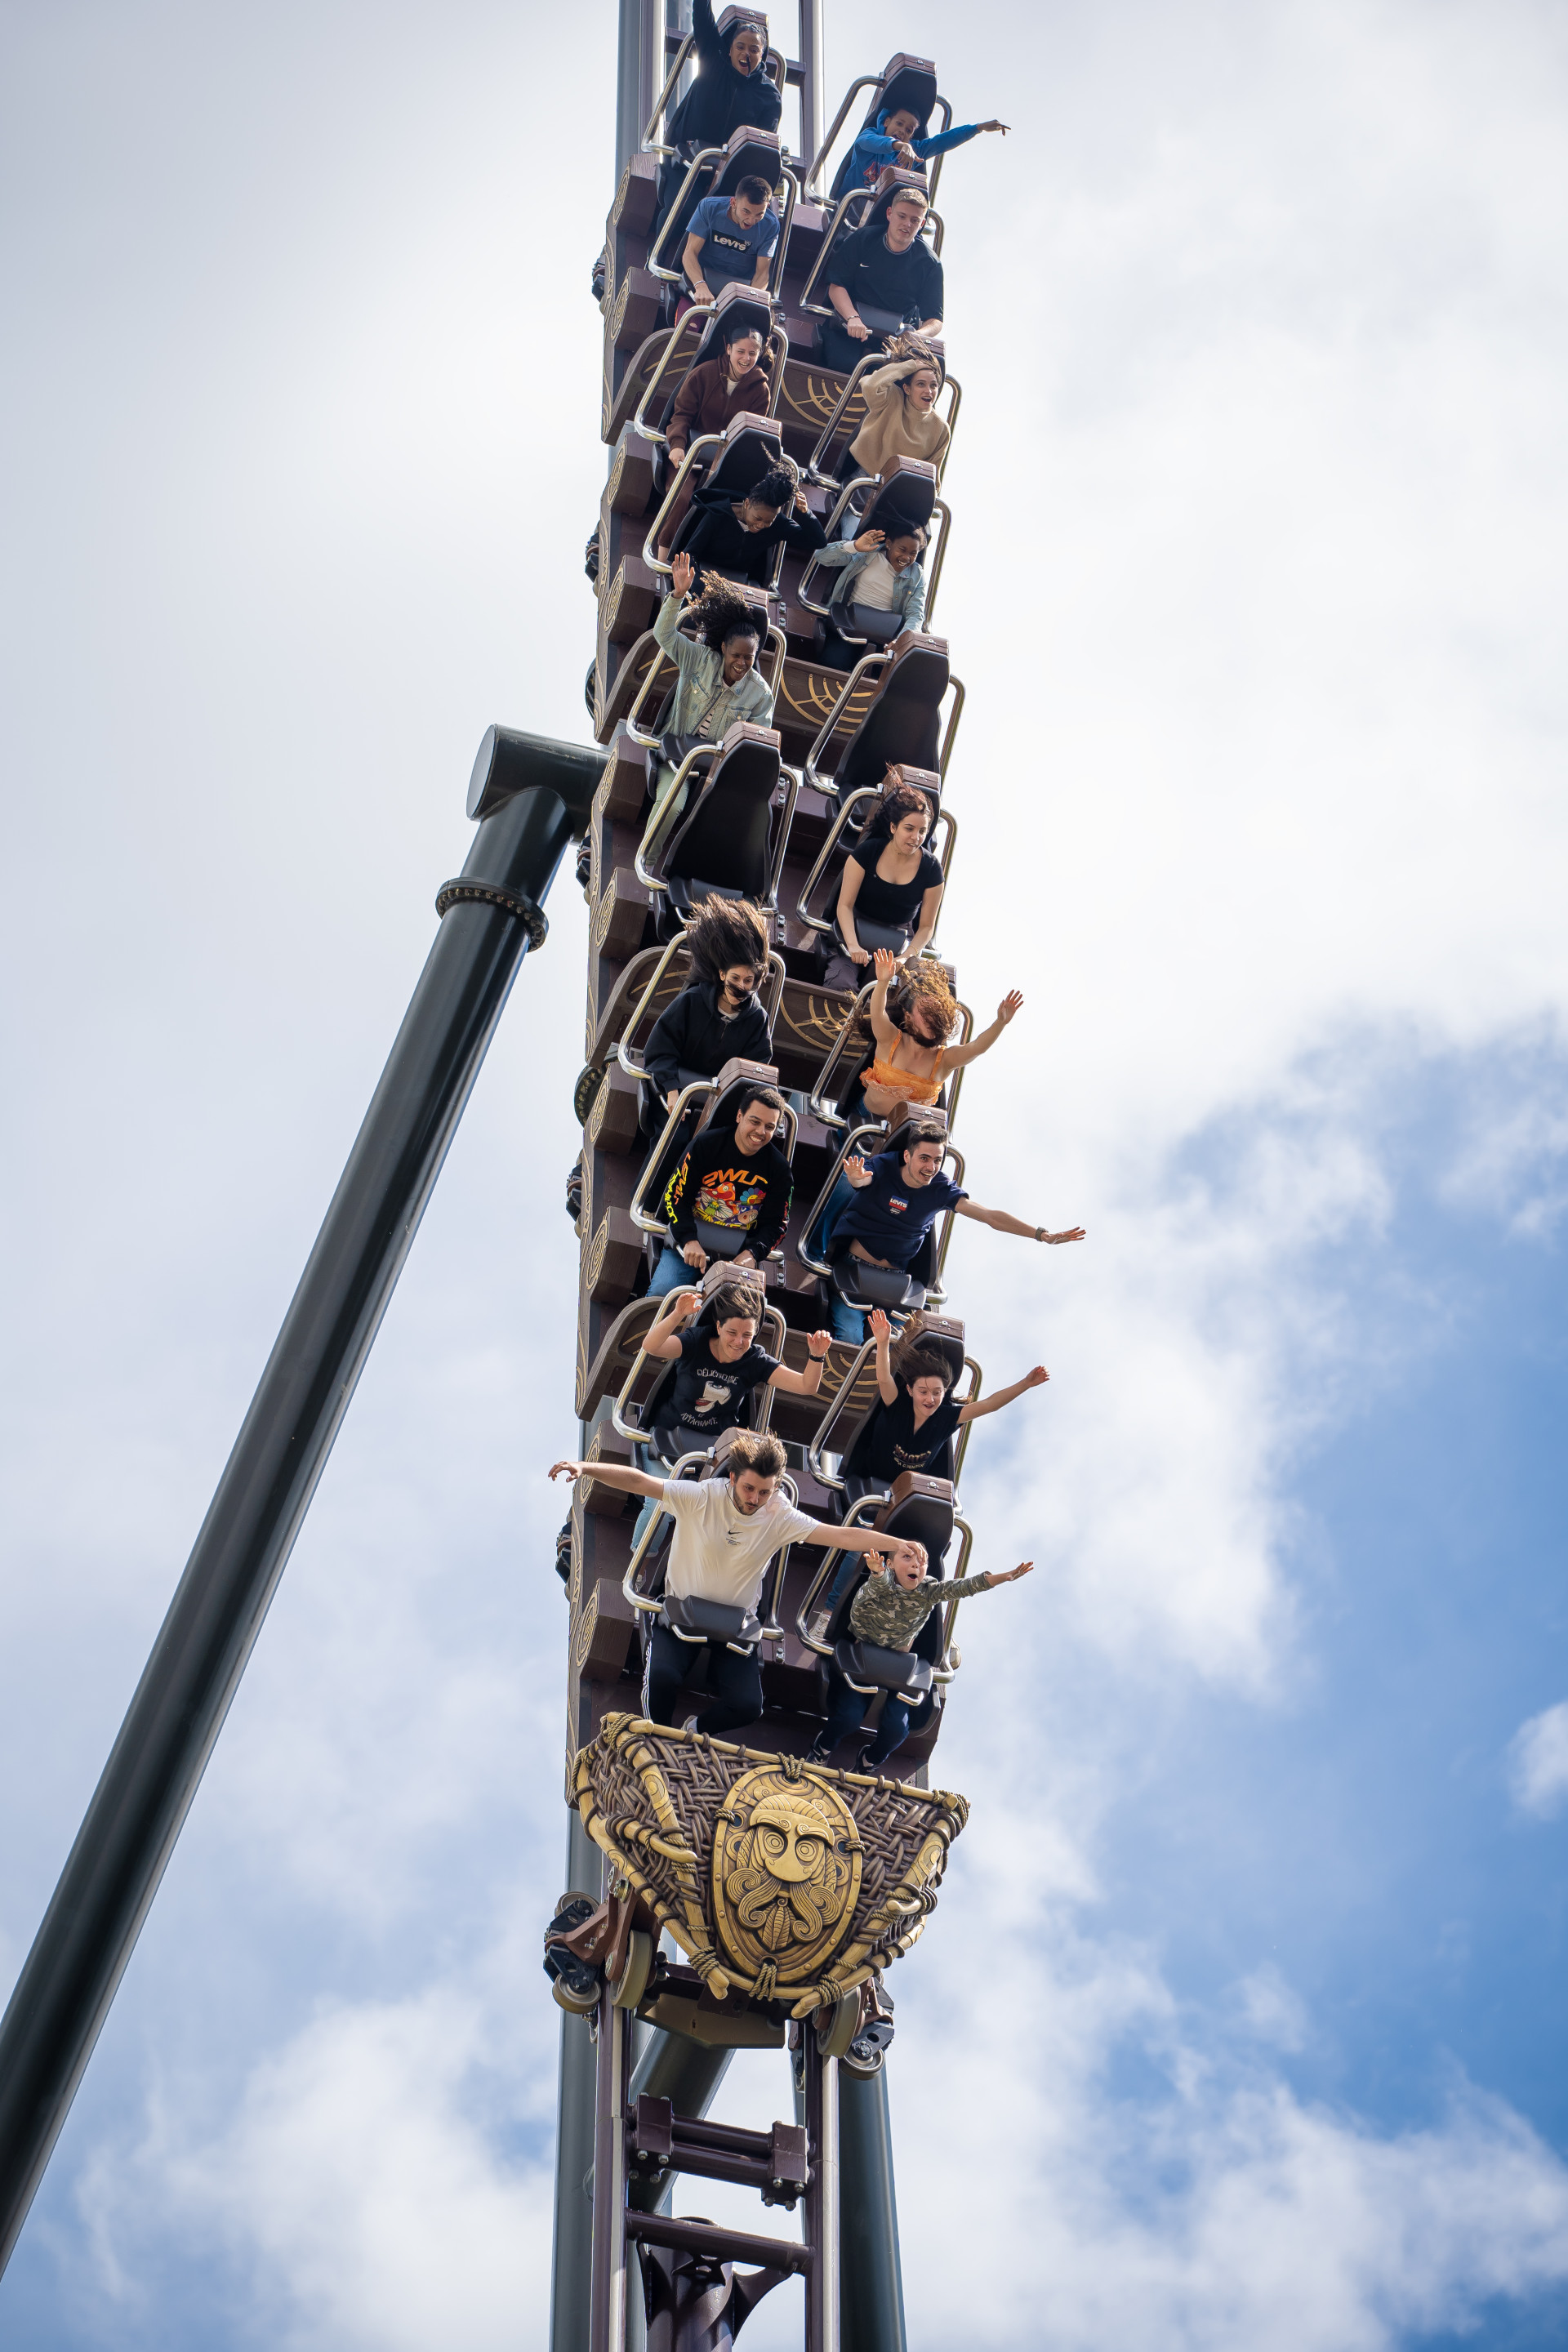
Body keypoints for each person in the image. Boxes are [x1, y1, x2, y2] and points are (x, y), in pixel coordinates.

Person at [546, 1431, 914, 1735]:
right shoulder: (703, 1496)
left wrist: (896, 1544)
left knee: (748, 1705)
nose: (755, 1499)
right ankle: (660, 1736)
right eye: (750, 1488)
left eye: (764, 1492)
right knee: (660, 1678)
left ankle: (696, 1728)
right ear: (734, 1478)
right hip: (682, 1613)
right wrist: (585, 1467)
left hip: (735, 1624)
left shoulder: (779, 1515)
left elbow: (841, 1537)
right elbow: (643, 1481)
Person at [826, 1116, 1085, 1342]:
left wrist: (1041, 1235)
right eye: (924, 1158)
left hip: (897, 1285)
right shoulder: (884, 1166)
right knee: (850, 1337)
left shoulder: (940, 1188)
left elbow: (988, 1216)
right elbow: (862, 1179)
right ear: (908, 1156)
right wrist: (855, 1176)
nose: (931, 1167)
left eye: (937, 1160)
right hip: (855, 1270)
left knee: (896, 1351)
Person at [623, 1281, 829, 1550]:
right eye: (732, 1332)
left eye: (747, 1335)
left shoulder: (755, 1360)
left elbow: (806, 1386)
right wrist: (677, 1314)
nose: (739, 1342)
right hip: (668, 1440)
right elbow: (652, 1346)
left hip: (713, 1452)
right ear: (719, 1327)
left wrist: (816, 1357)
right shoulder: (696, 1341)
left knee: (723, 1516)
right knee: (660, 1505)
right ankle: (639, 1570)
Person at [806, 1552, 1036, 1768]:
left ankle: (869, 1762)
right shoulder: (881, 1583)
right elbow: (879, 1584)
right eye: (908, 1557)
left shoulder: (928, 1590)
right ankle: (822, 1748)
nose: (917, 1564)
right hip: (862, 1661)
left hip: (898, 1669)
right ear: (891, 1564)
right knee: (849, 1716)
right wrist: (877, 1571)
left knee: (897, 1729)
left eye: (922, 1561)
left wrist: (1002, 1578)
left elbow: (964, 1587)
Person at [648, 555, 774, 818]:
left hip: (718, 773)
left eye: (748, 658)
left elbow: (755, 746)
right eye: (736, 655)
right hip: (678, 756)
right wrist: (677, 595)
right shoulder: (699, 659)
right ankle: (647, 859)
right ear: (724, 648)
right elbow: (664, 635)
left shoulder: (760, 695)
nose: (741, 664)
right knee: (671, 806)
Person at [861, 1310, 1049, 1478]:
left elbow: (990, 1404)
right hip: (869, 1478)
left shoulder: (947, 1418)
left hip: (908, 1494)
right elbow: (885, 1378)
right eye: (923, 1392)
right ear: (910, 1390)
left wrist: (1026, 1383)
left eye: (937, 1392)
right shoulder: (897, 1404)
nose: (930, 1399)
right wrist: (883, 1342)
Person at [647, 1081, 794, 1297]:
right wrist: (689, 1239)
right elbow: (675, 1196)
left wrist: (752, 1253)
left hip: (738, 1256)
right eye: (755, 1121)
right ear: (739, 1116)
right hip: (690, 1242)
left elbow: (777, 1224)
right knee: (662, 1290)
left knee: (744, 1314)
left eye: (769, 1127)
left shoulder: (779, 1169)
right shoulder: (706, 1145)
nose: (761, 1132)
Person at [654, 0, 782, 238]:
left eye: (754, 50)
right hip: (687, 161)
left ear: (762, 54)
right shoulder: (713, 62)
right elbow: (702, 16)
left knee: (723, 222)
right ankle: (659, 261)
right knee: (684, 209)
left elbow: (761, 143)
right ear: (730, 49)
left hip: (729, 173)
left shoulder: (769, 96)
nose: (746, 54)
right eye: (740, 47)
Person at [643, 893, 773, 1113]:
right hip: (677, 1089)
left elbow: (755, 1073)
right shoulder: (692, 1001)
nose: (741, 987)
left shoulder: (758, 1020)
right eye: (735, 979)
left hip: (721, 1105)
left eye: (748, 981)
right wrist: (672, 1091)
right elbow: (660, 1048)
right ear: (722, 974)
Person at [658, 319, 773, 559]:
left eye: (752, 353)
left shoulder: (760, 391)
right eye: (740, 351)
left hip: (724, 465)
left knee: (723, 509)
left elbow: (749, 436)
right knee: (682, 497)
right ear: (728, 348)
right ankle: (662, 556)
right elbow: (681, 416)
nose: (746, 359)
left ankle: (695, 563)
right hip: (690, 456)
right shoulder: (704, 374)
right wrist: (678, 446)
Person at [828, 776, 943, 982]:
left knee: (888, 995)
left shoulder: (932, 869)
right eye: (909, 829)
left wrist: (906, 957)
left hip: (898, 941)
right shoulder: (867, 852)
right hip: (855, 927)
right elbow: (844, 905)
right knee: (841, 984)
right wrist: (853, 945)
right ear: (893, 827)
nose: (916, 838)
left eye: (922, 831)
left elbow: (926, 926)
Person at [821, 187, 943, 374]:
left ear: (922, 224)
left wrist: (914, 337)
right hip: (851, 324)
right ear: (889, 213)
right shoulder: (863, 239)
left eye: (914, 220)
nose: (907, 224)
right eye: (902, 216)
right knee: (842, 364)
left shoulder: (930, 264)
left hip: (896, 338)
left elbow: (935, 321)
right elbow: (837, 286)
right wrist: (852, 318)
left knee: (889, 380)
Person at [674, 466, 826, 590]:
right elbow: (690, 554)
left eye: (768, 522)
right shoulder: (718, 515)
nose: (761, 525)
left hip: (741, 586)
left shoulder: (779, 525)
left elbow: (818, 542)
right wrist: (703, 585)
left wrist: (806, 514)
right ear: (747, 504)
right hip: (705, 577)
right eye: (757, 518)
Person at [813, 520, 926, 667]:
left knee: (882, 677)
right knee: (832, 663)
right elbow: (821, 556)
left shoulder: (916, 574)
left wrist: (900, 641)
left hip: (887, 636)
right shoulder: (867, 554)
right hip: (849, 625)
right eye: (902, 550)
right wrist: (854, 546)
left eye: (913, 553)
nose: (906, 557)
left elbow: (915, 615)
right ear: (889, 544)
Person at [836, 344, 948, 492]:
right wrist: (909, 366)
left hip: (898, 491)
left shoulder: (941, 428)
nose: (928, 391)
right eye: (921, 384)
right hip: (865, 479)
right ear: (907, 389)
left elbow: (932, 477)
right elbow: (870, 385)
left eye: (933, 386)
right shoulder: (892, 397)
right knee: (853, 515)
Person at [840, 105, 1009, 194]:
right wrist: (900, 145)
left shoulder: (916, 151)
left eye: (908, 130)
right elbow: (866, 142)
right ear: (887, 122)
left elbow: (943, 141)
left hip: (879, 216)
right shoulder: (870, 136)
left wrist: (977, 128)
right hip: (849, 207)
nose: (902, 131)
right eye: (899, 124)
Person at [679, 176, 779, 314]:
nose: (752, 220)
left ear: (767, 207)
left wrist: (751, 301)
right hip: (703, 280)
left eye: (759, 214)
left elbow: (762, 273)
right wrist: (700, 285)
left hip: (740, 289)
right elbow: (690, 253)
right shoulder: (709, 208)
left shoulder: (771, 225)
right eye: (746, 211)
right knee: (689, 324)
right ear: (734, 203)